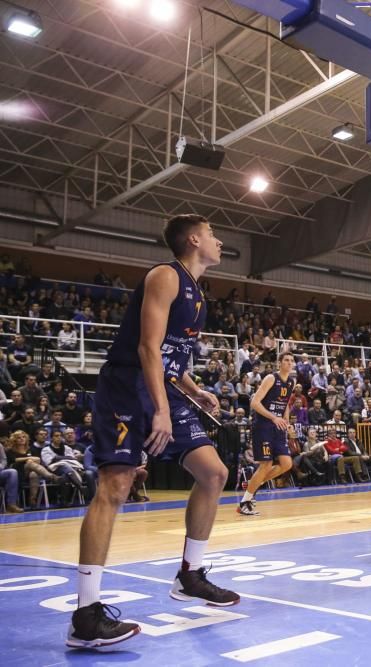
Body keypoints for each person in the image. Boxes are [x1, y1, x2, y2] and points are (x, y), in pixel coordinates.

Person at [70, 214, 238, 649]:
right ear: (195, 239)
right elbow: (147, 347)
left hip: (162, 386)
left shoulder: (198, 293)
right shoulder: (165, 276)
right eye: (214, 234)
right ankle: (85, 616)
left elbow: (169, 357)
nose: (220, 242)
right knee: (116, 484)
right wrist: (161, 410)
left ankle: (190, 575)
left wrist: (194, 389)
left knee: (214, 472)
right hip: (127, 386)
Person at [239, 352, 295, 515]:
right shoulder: (271, 378)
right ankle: (245, 502)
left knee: (286, 464)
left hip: (278, 427)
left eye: (292, 361)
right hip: (263, 425)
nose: (289, 363)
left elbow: (285, 404)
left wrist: (286, 422)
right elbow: (254, 402)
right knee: (266, 465)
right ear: (279, 363)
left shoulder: (291, 382)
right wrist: (274, 418)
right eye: (286, 360)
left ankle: (253, 484)